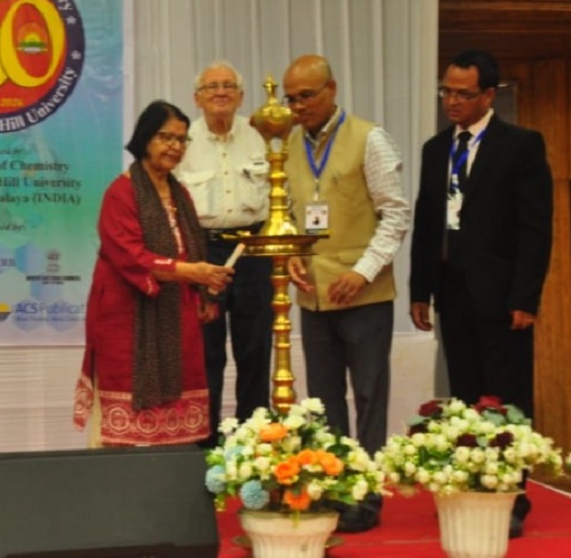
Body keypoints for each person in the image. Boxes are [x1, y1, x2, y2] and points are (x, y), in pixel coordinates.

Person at [409, 49, 552, 538]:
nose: (451, 101)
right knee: (466, 394)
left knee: (506, 396)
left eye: (463, 94)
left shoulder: (521, 145)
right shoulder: (435, 149)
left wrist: (526, 298)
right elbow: (427, 222)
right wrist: (420, 289)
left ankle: (512, 495)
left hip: (503, 296)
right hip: (452, 289)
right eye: (446, 91)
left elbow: (536, 229)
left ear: (489, 95)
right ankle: (473, 484)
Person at [282, 54, 410, 532]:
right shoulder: (289, 144)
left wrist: (363, 272)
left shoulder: (369, 138)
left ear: (331, 89)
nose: (298, 106)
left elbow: (395, 214)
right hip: (314, 295)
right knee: (323, 400)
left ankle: (367, 498)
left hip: (364, 295)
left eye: (306, 96)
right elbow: (288, 213)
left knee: (370, 396)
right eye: (291, 99)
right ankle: (335, 491)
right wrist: (291, 254)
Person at [73, 100, 233, 447]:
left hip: (176, 311)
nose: (175, 146)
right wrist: (192, 272)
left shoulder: (180, 192)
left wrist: (203, 290)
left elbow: (191, 246)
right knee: (123, 421)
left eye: (181, 139)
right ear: (145, 138)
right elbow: (130, 255)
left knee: (179, 416)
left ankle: (170, 477)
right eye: (166, 137)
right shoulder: (121, 192)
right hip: (127, 315)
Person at [174, 61, 273, 446]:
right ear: (196, 98)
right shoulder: (182, 141)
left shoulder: (261, 134)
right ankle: (205, 447)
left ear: (241, 96)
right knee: (206, 355)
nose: (220, 92)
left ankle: (254, 446)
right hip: (203, 252)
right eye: (211, 86)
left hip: (254, 250)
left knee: (255, 352)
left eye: (228, 86)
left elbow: (285, 194)